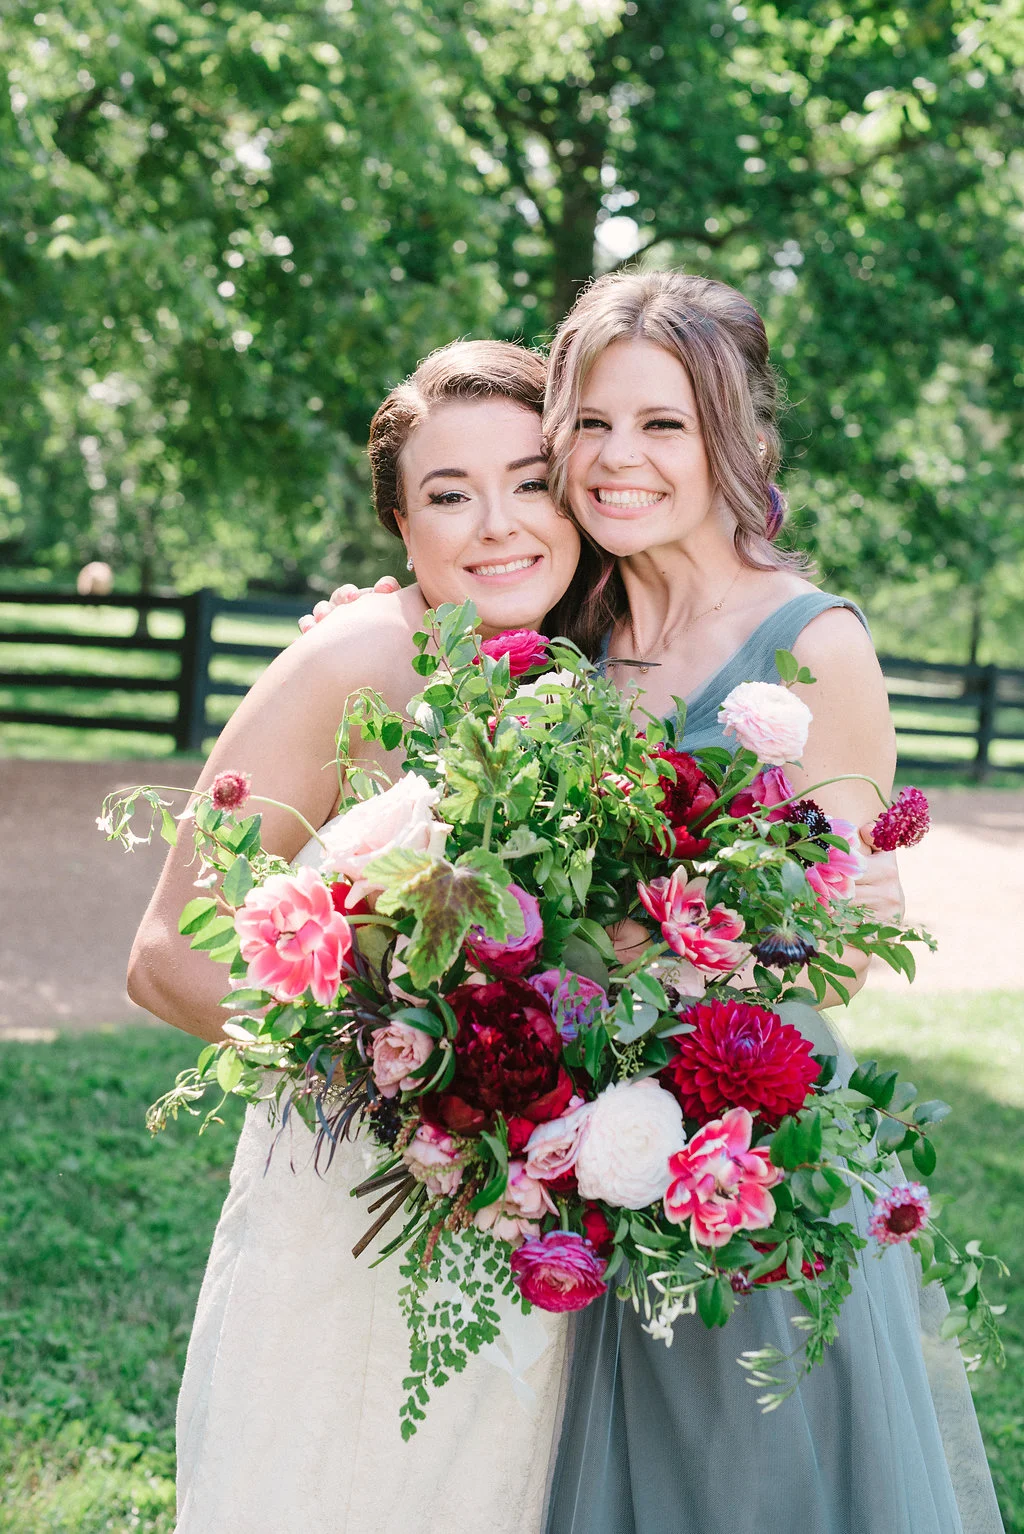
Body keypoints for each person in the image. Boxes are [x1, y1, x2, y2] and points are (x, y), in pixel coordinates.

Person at [535, 270, 1002, 1534]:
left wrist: (676, 941)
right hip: (582, 1154)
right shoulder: (557, 636)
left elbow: (836, 965)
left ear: (733, 438)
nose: (616, 458)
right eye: (591, 421)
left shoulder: (813, 645)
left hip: (750, 1166)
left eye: (662, 424)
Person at [128, 341, 586, 1532]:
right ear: (398, 522)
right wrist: (408, 1084)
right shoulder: (348, 660)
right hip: (347, 1200)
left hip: (521, 1219)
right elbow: (166, 956)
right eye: (449, 494)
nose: (498, 523)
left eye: (531, 480)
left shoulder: (592, 674)